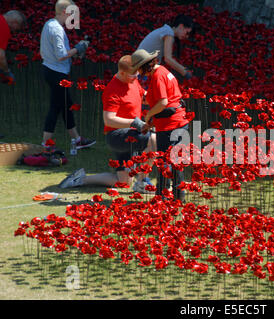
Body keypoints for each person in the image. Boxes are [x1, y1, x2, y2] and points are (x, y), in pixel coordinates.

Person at [59, 54, 156, 193]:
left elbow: (144, 97)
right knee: (153, 141)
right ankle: (142, 182)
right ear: (122, 72)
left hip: (131, 132)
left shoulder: (132, 80)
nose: (136, 78)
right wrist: (135, 123)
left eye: (136, 75)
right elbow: (109, 119)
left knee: (123, 182)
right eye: (132, 75)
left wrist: (163, 101)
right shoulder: (112, 89)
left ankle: (81, 179)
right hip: (117, 136)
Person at [131, 49, 190, 201]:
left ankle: (163, 197)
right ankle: (176, 196)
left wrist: (149, 115)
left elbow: (163, 102)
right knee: (173, 161)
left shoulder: (157, 76)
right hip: (176, 121)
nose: (139, 73)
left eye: (138, 69)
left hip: (172, 124)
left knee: (166, 161)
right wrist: (150, 123)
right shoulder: (163, 71)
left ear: (145, 66)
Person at [40, 0, 95, 149]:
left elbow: (57, 53)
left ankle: (76, 140)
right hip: (57, 72)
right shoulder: (57, 29)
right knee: (56, 107)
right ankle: (46, 144)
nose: (75, 16)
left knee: (66, 106)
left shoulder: (49, 24)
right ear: (65, 11)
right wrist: (78, 48)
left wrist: (76, 52)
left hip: (52, 70)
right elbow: (61, 55)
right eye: (73, 12)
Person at [138, 14, 194, 80]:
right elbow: (168, 59)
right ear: (181, 26)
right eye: (187, 33)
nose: (187, 36)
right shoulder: (169, 33)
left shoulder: (166, 30)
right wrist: (185, 72)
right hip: (141, 69)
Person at [0, 10, 27, 138]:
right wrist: (7, 72)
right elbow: (0, 55)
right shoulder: (4, 27)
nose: (16, 31)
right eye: (18, 28)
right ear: (15, 22)